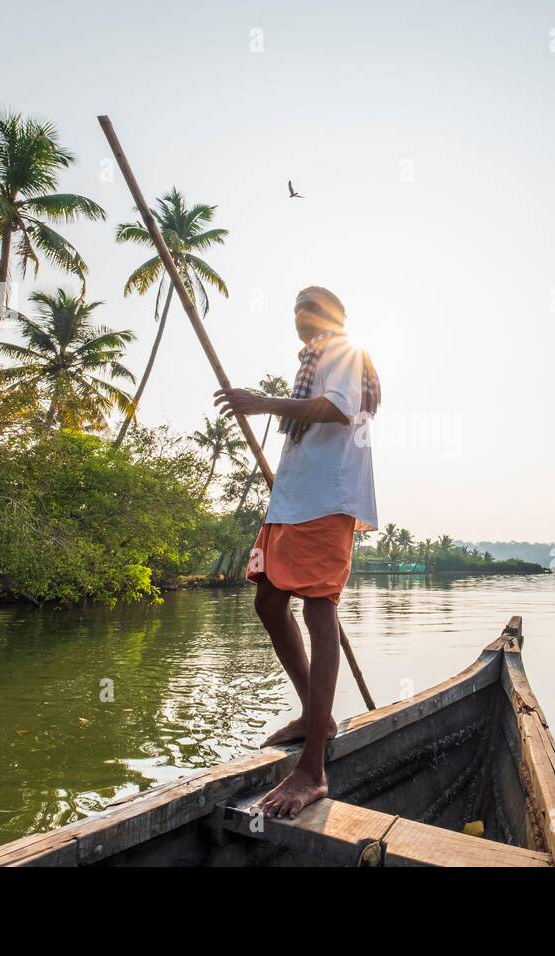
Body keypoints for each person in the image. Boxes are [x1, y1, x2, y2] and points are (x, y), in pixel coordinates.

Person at [213, 286, 380, 819]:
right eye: (294, 308)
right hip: (293, 501)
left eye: (307, 307)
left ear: (330, 315)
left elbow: (334, 410)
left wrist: (260, 403)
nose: (298, 316)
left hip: (326, 502)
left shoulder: (344, 352)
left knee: (318, 608)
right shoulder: (313, 359)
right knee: (267, 602)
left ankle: (313, 769)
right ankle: (317, 717)